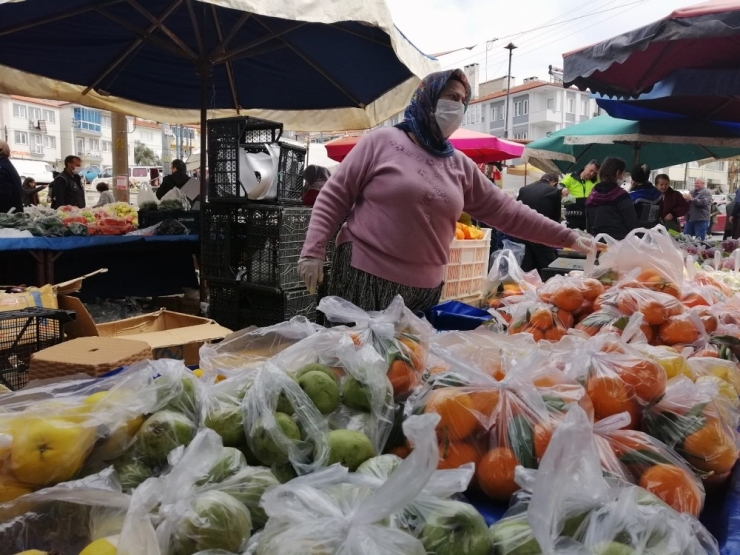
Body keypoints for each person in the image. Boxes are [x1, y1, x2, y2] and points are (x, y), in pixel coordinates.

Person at [297, 69, 599, 313]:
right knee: (352, 374)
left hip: (423, 292)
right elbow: (334, 196)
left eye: (462, 100)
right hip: (364, 277)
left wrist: (568, 237)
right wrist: (313, 251)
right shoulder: (383, 142)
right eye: (450, 96)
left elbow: (509, 213)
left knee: (402, 377)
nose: (457, 106)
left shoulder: (460, 165)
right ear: (428, 98)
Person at [512, 173, 563, 274]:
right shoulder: (554, 191)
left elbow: (517, 208)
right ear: (554, 183)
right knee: (548, 264)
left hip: (521, 231)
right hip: (541, 232)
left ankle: (527, 286)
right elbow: (555, 217)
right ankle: (550, 285)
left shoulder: (524, 189)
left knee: (526, 265)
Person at [586, 157, 640, 241]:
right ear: (618, 173)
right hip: (619, 245)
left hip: (598, 244)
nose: (623, 178)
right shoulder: (621, 195)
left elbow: (589, 228)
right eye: (623, 174)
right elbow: (632, 224)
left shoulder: (591, 196)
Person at [561, 159, 599, 230]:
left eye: (594, 173)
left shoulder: (595, 182)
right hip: (573, 215)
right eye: (591, 170)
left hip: (588, 216)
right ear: (586, 167)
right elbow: (559, 185)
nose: (591, 174)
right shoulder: (571, 177)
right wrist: (563, 189)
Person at [628, 163, 662, 229]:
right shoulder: (658, 194)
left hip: (636, 232)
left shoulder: (632, 196)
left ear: (633, 177)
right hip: (654, 230)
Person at [0, 140, 22, 214]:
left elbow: (3, 194)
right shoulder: (6, 165)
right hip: (12, 211)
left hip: (6, 213)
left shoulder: (2, 167)